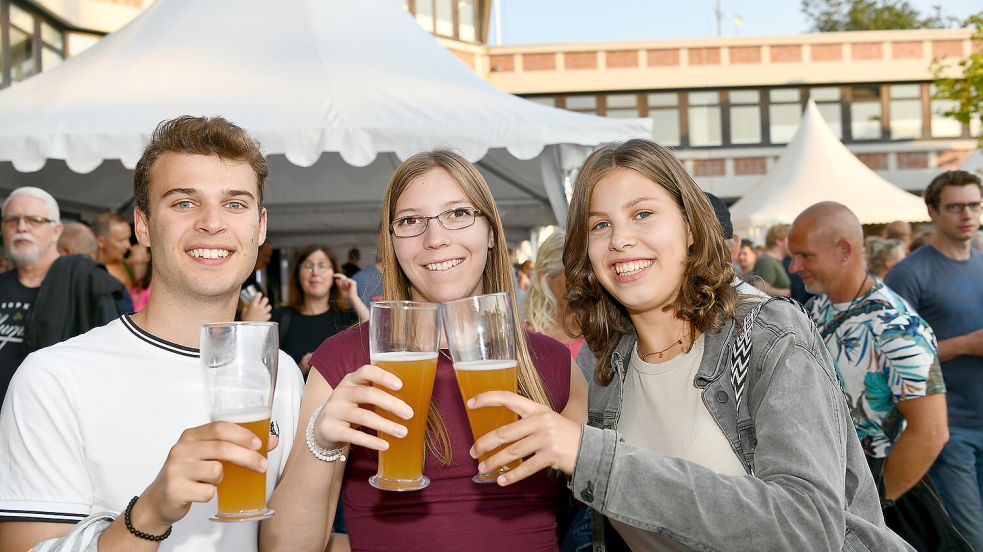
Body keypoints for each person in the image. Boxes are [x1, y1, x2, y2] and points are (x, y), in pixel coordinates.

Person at [466, 139, 908, 550]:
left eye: (643, 214)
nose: (620, 239)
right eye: (600, 224)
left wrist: (594, 459)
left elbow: (807, 527)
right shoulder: (605, 364)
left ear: (692, 227)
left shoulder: (767, 336)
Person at [0, 115, 305, 551]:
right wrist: (150, 511)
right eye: (184, 203)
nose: (212, 223)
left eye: (235, 204)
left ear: (259, 227)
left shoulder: (282, 375)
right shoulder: (53, 378)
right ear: (142, 225)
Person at [260, 149, 587, 552]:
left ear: (490, 232)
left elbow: (606, 519)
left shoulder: (554, 363)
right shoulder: (345, 363)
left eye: (458, 213)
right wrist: (321, 442)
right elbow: (284, 548)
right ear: (392, 242)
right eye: (411, 221)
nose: (436, 239)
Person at [789, 202, 951, 548]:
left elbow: (931, 431)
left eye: (805, 256)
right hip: (831, 481)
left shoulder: (896, 326)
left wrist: (874, 504)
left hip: (885, 492)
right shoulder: (818, 306)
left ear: (844, 250)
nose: (794, 266)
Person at [885, 170, 983, 551]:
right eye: (955, 206)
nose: (967, 214)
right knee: (970, 539)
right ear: (932, 211)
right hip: (947, 427)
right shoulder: (909, 273)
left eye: (974, 205)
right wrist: (964, 345)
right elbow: (889, 354)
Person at [0, 187, 63, 400]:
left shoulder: (85, 287)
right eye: (11, 220)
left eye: (34, 219)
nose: (21, 227)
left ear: (57, 231)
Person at [272, 245, 369, 377]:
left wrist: (352, 298)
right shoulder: (280, 317)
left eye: (322, 266)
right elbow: (267, 372)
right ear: (297, 275)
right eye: (308, 266)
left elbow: (373, 335)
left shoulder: (346, 316)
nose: (315, 272)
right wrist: (299, 369)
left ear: (334, 275)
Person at [93, 212, 135, 290]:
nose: (128, 245)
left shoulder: (128, 266)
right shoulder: (89, 274)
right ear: (100, 242)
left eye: (128, 238)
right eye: (121, 240)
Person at [752, 223, 791, 296]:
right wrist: (790, 292)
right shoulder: (766, 261)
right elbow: (759, 290)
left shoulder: (773, 260)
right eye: (789, 239)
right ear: (779, 241)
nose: (792, 243)